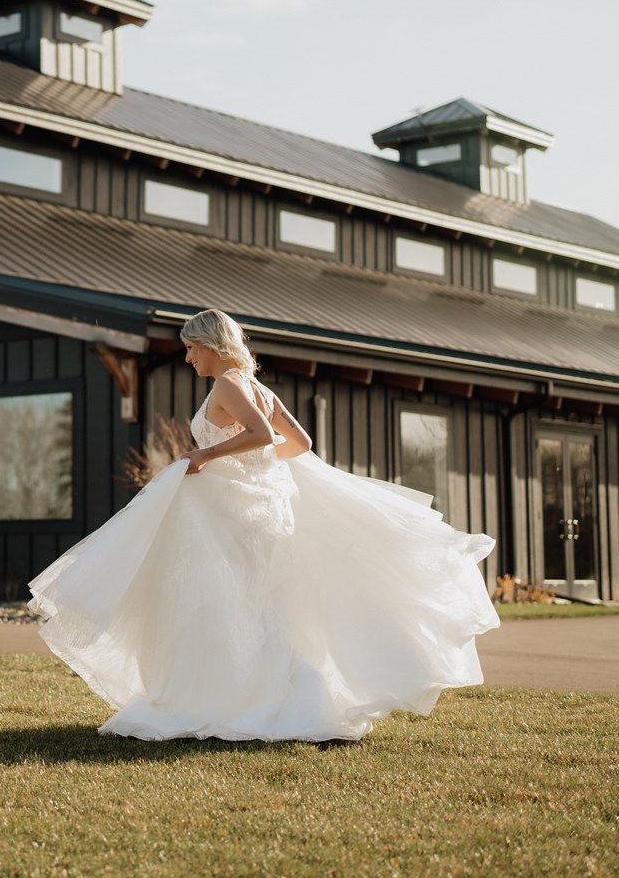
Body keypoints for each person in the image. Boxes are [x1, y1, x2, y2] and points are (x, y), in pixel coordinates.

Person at [31, 309, 500, 743]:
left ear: (212, 345)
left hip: (237, 513)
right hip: (263, 509)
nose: (189, 357)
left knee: (230, 601)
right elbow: (299, 442)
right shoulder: (261, 388)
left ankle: (233, 698)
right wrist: (252, 465)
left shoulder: (228, 387)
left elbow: (258, 436)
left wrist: (207, 456)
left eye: (192, 348)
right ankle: (279, 695)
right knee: (260, 605)